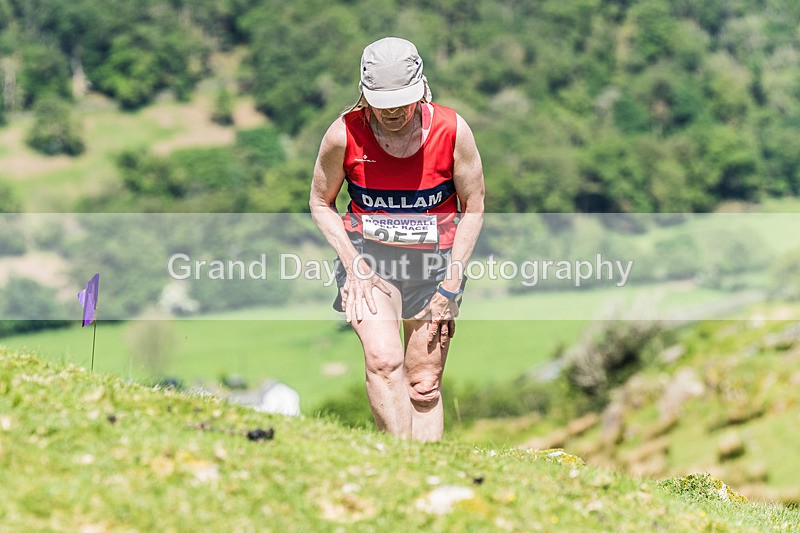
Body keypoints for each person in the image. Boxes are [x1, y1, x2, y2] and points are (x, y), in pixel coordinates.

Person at [309, 37, 484, 442]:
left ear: (422, 88)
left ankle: (425, 473)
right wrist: (353, 266)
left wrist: (451, 287)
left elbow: (473, 208)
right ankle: (399, 464)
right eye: (382, 103)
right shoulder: (342, 135)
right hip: (369, 261)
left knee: (424, 385)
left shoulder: (453, 131)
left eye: (402, 101)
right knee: (385, 360)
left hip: (435, 266)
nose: (393, 113)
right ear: (364, 95)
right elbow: (321, 202)